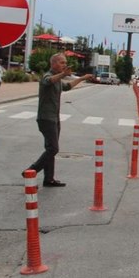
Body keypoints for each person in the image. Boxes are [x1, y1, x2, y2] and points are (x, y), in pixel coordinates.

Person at [26, 53, 92, 187]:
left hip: (54, 118)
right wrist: (63, 74)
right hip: (46, 118)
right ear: (54, 63)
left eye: (65, 63)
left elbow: (67, 86)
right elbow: (48, 81)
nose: (64, 65)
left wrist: (82, 78)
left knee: (50, 149)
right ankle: (31, 171)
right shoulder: (47, 76)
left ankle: (49, 179)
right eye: (62, 63)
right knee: (53, 149)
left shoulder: (58, 80)